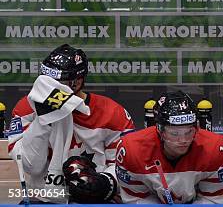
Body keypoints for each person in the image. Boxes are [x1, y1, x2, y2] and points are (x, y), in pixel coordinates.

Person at [7, 44, 134, 203]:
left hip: (96, 200)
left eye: (56, 81)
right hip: (44, 199)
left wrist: (102, 184)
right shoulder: (25, 108)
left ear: (77, 82)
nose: (48, 86)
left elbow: (126, 165)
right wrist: (43, 119)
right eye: (46, 80)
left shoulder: (112, 112)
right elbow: (30, 166)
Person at [115, 91, 223, 204]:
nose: (183, 140)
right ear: (160, 130)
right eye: (174, 134)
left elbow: (214, 200)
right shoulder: (131, 150)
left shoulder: (216, 148)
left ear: (197, 128)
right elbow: (136, 200)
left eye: (189, 132)